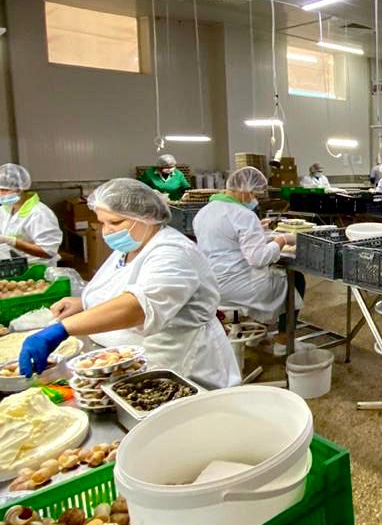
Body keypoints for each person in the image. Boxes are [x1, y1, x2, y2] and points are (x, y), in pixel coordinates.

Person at [19, 179, 239, 387]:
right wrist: (84, 304)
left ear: (146, 216)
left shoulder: (173, 253)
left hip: (180, 366)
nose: (107, 230)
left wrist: (63, 329)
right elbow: (122, 287)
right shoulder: (131, 247)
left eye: (115, 222)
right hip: (131, 363)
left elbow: (138, 307)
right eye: (103, 222)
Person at [192, 167, 303, 338]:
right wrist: (282, 240)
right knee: (295, 278)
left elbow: (227, 240)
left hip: (209, 283)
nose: (254, 200)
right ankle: (284, 339)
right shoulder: (243, 215)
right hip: (237, 285)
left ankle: (259, 331)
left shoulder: (204, 212)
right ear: (244, 190)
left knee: (273, 275)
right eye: (254, 194)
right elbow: (259, 259)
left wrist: (257, 229)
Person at [0, 163, 62, 266]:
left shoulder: (40, 214)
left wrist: (12, 241)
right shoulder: (5, 209)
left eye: (4, 190)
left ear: (20, 189)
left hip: (36, 270)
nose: (0, 194)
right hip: (13, 267)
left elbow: (48, 252)